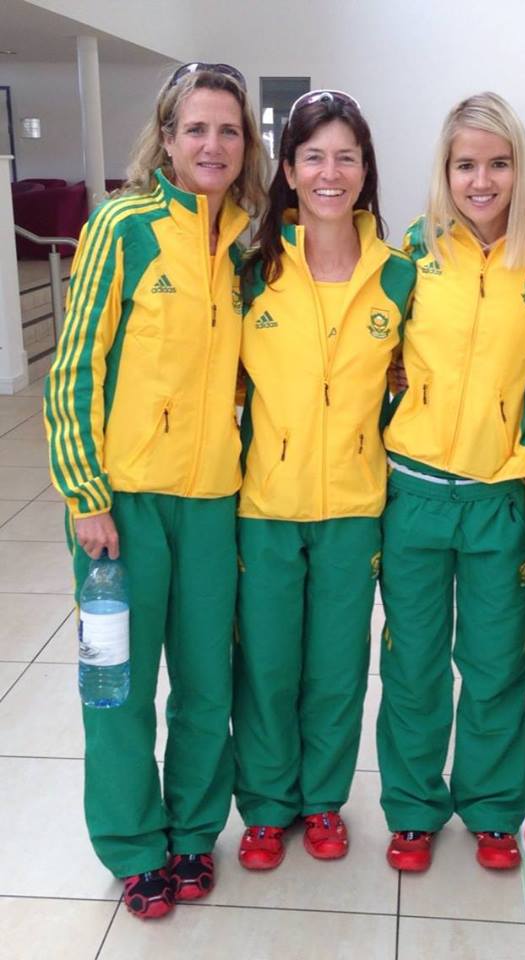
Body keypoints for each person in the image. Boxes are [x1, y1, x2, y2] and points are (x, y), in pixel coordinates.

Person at [44, 62, 267, 919]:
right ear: (167, 138)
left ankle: (191, 834)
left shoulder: (249, 241)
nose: (213, 145)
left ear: (245, 145)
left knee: (207, 686)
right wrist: (84, 492)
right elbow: (76, 365)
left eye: (228, 130)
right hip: (123, 506)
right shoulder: (123, 225)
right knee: (122, 690)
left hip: (213, 504)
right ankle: (135, 845)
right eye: (196, 128)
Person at [377, 92, 525, 873]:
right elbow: (381, 349)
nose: (482, 181)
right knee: (413, 663)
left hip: (502, 492)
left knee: (496, 664)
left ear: (519, 166)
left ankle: (492, 808)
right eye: (465, 165)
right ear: (444, 170)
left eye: (498, 163)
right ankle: (412, 808)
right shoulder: (413, 247)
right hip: (414, 489)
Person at [233, 90, 415, 871]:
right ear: (288, 169)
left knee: (337, 670)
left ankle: (321, 803)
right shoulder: (251, 271)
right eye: (313, 157)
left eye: (346, 157)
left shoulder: (400, 278)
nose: (329, 173)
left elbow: (414, 379)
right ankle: (266, 806)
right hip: (265, 506)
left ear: (366, 169)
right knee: (267, 668)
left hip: (355, 506)